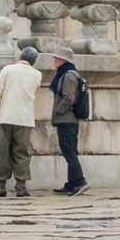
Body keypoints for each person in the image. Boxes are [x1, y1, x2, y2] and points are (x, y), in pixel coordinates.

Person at [0, 44, 41, 198]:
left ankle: (0, 186)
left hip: (5, 117)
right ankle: (21, 186)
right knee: (22, 152)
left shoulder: (8, 70)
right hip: (25, 119)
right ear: (34, 61)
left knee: (2, 151)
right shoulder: (37, 75)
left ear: (20, 56)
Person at [46, 48, 88, 195]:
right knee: (70, 152)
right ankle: (72, 184)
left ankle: (80, 181)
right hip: (67, 119)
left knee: (69, 152)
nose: (55, 60)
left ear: (64, 60)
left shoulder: (69, 75)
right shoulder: (65, 74)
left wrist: (57, 111)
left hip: (67, 120)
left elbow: (69, 98)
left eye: (57, 58)